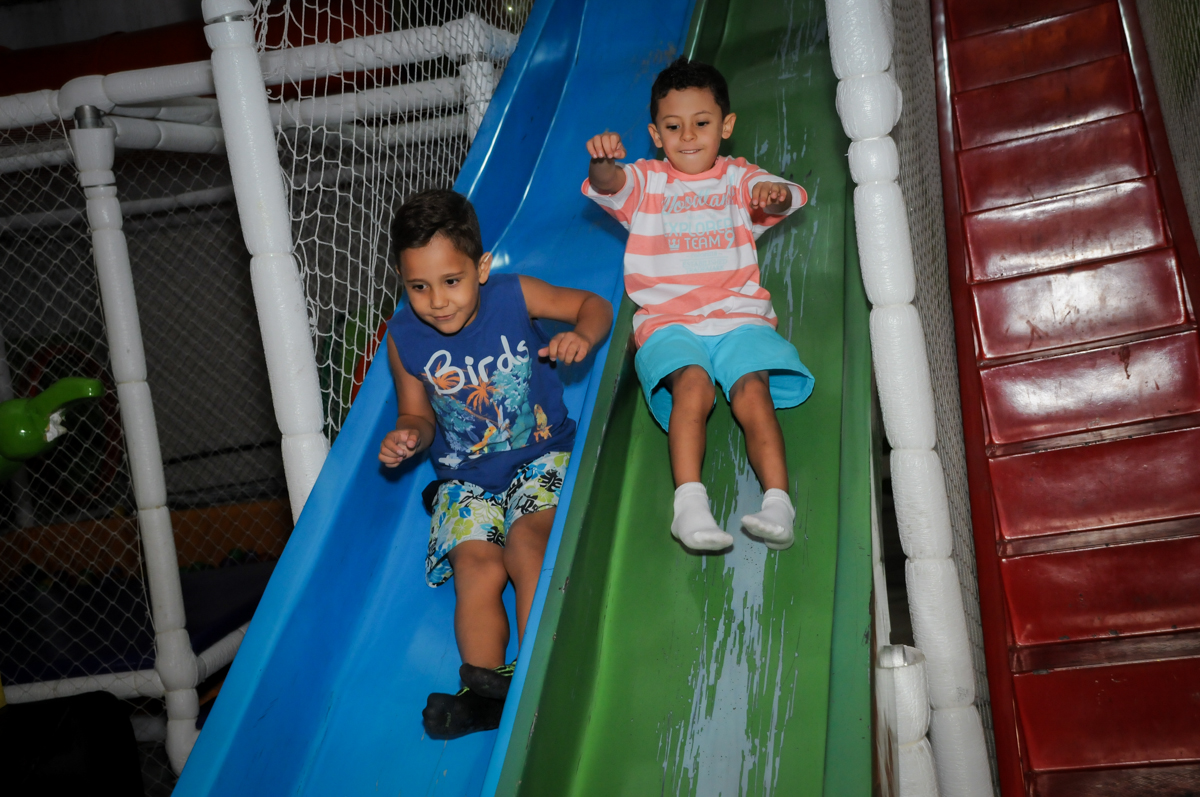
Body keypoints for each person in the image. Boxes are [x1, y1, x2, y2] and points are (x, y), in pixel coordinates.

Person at [378, 188, 612, 738]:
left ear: (480, 268)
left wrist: (582, 334)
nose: (436, 300)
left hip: (540, 455)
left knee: (527, 546)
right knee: (477, 568)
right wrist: (407, 437)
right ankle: (484, 686)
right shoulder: (405, 339)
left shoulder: (514, 296)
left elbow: (592, 305)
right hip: (463, 477)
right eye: (418, 286)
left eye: (451, 281)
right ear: (402, 280)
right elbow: (419, 415)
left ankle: (536, 673)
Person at [583, 57, 813, 554]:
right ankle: (689, 506)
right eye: (673, 126)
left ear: (725, 126)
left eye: (702, 123)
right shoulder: (645, 182)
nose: (688, 136)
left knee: (752, 390)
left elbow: (777, 195)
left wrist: (771, 195)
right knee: (694, 387)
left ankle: (779, 502)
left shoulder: (737, 178)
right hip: (668, 322)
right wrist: (602, 161)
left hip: (738, 317)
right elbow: (607, 184)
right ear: (655, 134)